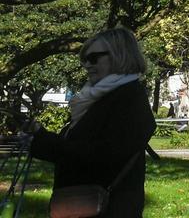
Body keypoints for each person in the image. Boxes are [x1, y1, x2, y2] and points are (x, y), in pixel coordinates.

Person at [29, 28, 156, 217]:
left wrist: (46, 143)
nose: (87, 65)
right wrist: (41, 135)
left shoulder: (129, 98)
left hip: (110, 208)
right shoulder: (97, 97)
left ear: (119, 56)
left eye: (94, 58)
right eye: (84, 59)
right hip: (83, 205)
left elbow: (103, 154)